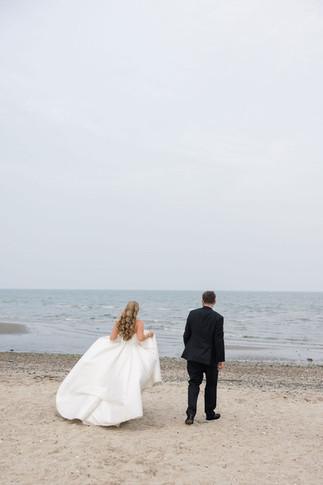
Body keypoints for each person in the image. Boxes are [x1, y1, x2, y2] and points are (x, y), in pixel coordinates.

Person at [56, 301, 161, 426]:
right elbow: (140, 338)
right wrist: (149, 334)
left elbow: (112, 338)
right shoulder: (139, 322)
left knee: (112, 379)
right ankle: (124, 410)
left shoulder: (119, 322)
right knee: (128, 381)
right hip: (132, 354)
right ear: (137, 310)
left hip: (119, 352)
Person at [181, 291, 225, 425]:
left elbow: (186, 335)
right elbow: (218, 340)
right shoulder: (218, 318)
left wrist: (190, 349)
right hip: (210, 357)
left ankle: (190, 414)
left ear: (202, 301)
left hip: (193, 355)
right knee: (211, 384)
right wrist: (221, 359)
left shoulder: (192, 314)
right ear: (215, 302)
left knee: (194, 383)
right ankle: (209, 413)